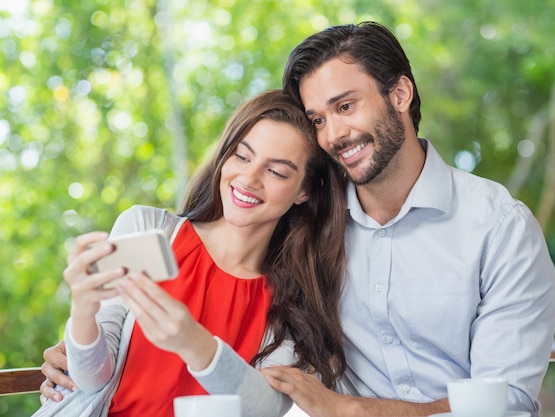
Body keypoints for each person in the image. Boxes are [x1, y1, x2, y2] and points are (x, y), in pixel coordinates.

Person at [260, 22, 555, 417]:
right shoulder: (310, 228)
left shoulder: (500, 226)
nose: (333, 134)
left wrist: (350, 411)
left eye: (346, 106)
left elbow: (502, 405)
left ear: (400, 94)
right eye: (318, 120)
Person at [33, 89, 347, 417]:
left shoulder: (295, 301)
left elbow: (265, 409)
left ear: (305, 191)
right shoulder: (147, 229)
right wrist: (83, 309)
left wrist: (192, 341)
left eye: (277, 172)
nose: (249, 178)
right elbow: (92, 378)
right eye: (242, 156)